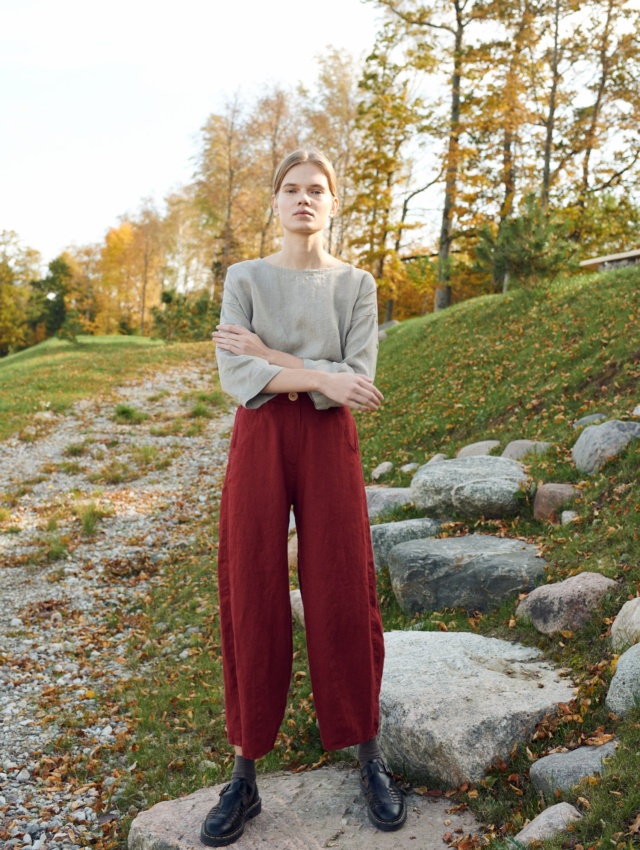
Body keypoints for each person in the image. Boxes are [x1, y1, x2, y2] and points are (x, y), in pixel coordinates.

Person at [200, 149, 407, 847]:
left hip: (327, 443)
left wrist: (277, 357)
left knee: (343, 587)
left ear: (334, 202)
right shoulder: (245, 277)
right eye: (291, 189)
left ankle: (367, 754)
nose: (303, 199)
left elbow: (359, 378)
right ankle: (245, 772)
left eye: (317, 190)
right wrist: (312, 374)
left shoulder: (356, 283)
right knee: (250, 588)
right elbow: (237, 369)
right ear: (275, 201)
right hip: (258, 435)